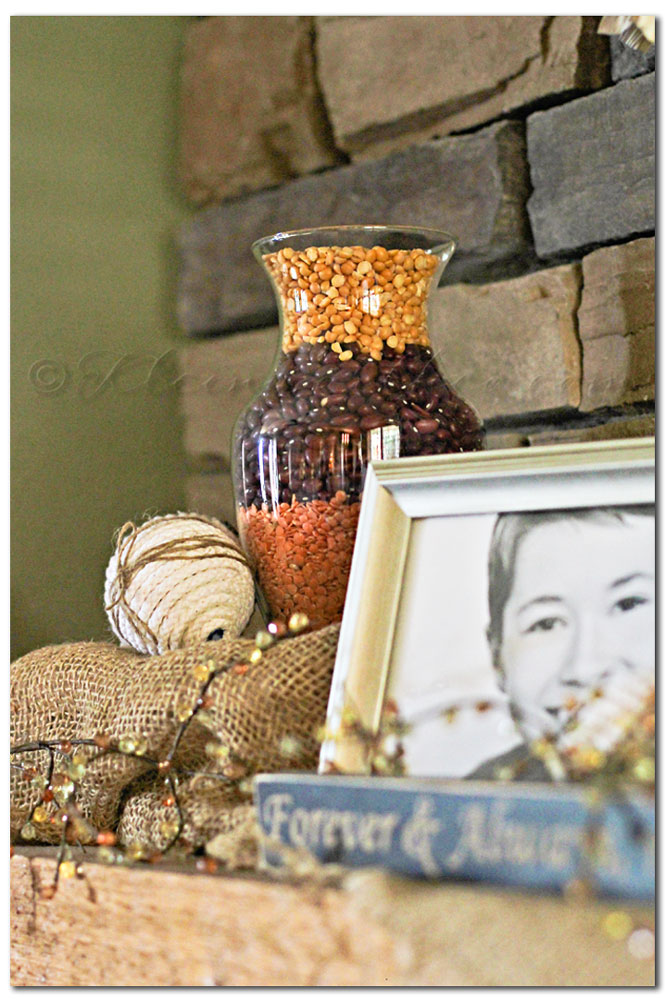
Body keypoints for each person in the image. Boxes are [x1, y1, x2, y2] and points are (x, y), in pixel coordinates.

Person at [471, 504, 655, 780]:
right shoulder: (468, 801)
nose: (586, 668)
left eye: (628, 604)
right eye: (546, 623)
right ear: (497, 658)